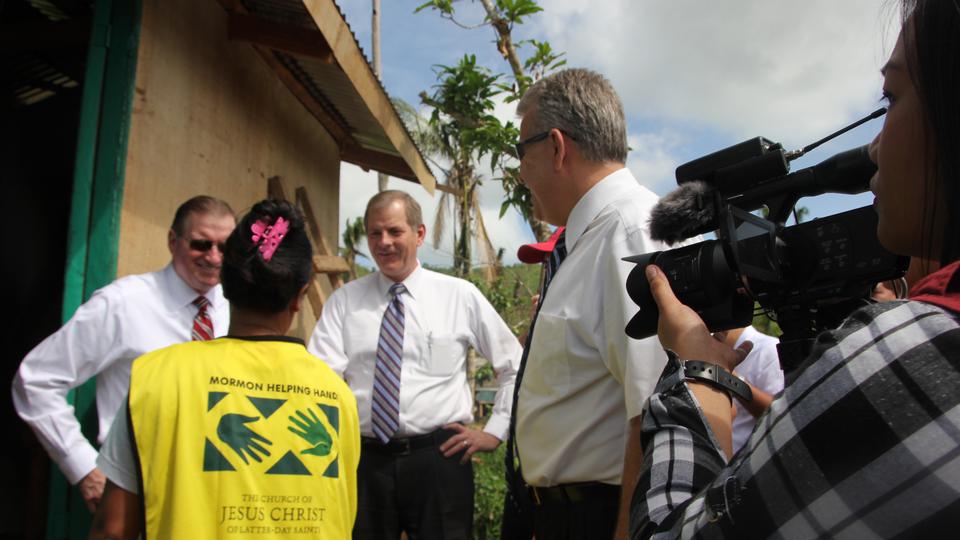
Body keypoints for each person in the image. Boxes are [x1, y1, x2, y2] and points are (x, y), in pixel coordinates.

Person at [631, 0, 960, 536]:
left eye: (892, 98)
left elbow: (668, 531)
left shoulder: (922, 349)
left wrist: (698, 372)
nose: (874, 147)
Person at [90, 199, 360, 539]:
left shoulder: (157, 376)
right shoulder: (338, 396)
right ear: (300, 295)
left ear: (226, 283)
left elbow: (113, 530)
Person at [507, 67, 672, 540]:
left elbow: (656, 411)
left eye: (522, 152)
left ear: (557, 147)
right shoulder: (590, 240)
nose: (521, 173)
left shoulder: (628, 233)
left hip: (602, 517)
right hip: (563, 513)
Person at [308, 190, 522, 539]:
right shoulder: (345, 301)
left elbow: (514, 365)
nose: (384, 242)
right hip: (365, 462)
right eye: (375, 233)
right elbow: (320, 379)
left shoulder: (459, 296)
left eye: (395, 231)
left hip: (440, 459)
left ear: (419, 234)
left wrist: (495, 431)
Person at [12, 195, 235, 512]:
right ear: (173, 241)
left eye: (225, 247)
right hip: (138, 489)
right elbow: (36, 380)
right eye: (201, 244)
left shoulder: (234, 307)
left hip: (213, 493)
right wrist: (85, 469)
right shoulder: (124, 303)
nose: (213, 257)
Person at [713, 327, 783, 453]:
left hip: (743, 459)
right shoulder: (705, 346)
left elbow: (777, 412)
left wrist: (727, 376)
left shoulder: (769, 349)